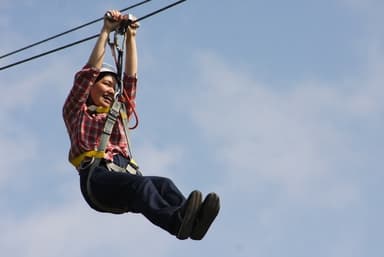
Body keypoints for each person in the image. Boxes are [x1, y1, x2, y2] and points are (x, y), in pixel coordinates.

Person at [62, 10, 220, 240]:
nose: (110, 90)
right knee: (143, 186)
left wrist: (131, 36)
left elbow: (130, 80)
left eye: (112, 87)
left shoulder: (118, 113)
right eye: (105, 84)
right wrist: (106, 31)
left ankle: (192, 221)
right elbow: (87, 74)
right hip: (97, 179)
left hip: (123, 176)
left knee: (164, 185)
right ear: (91, 89)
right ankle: (176, 223)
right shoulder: (76, 112)